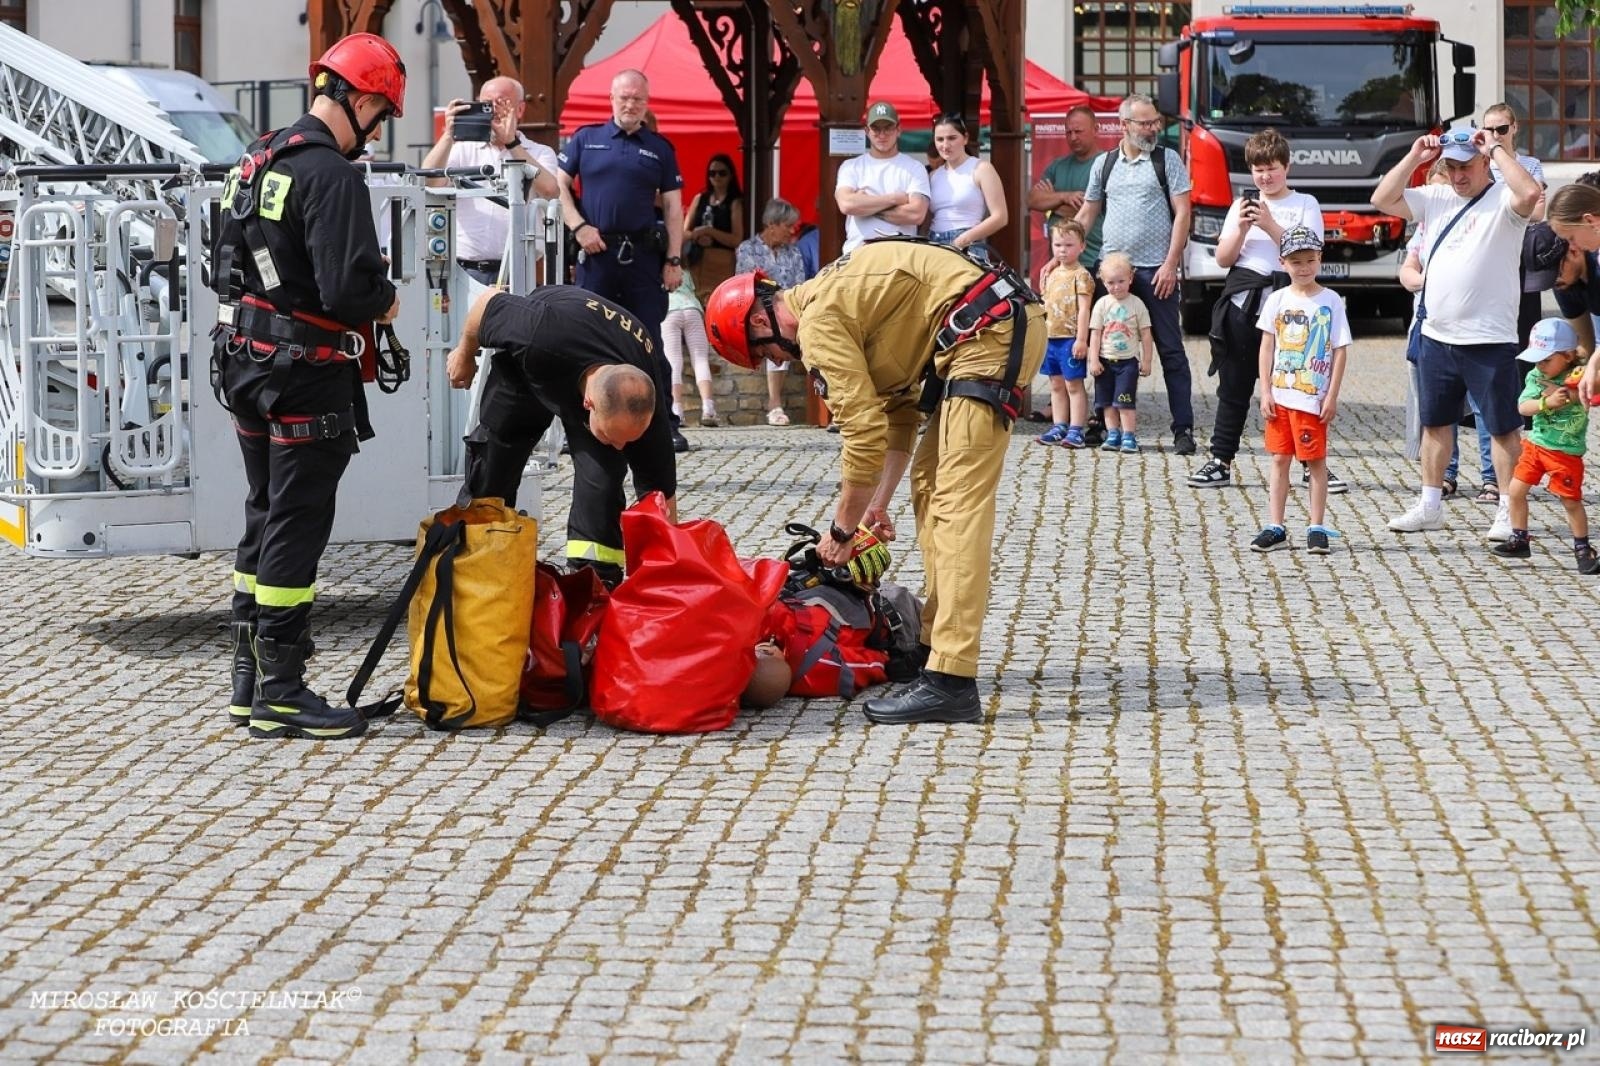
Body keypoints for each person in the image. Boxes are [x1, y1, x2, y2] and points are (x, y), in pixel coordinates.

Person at [702, 241, 1045, 724]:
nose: (780, 360)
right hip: (987, 327)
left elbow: (863, 435)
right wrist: (874, 506)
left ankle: (952, 681)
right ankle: (930, 650)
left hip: (988, 334)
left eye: (766, 353)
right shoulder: (836, 306)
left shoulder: (818, 324)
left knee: (955, 506)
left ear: (760, 321)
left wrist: (841, 532)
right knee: (929, 485)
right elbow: (899, 410)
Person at [210, 32, 405, 740]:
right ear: (359, 99)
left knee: (264, 511)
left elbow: (221, 265)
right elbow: (348, 289)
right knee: (296, 521)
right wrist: (386, 301)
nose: (376, 133)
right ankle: (283, 690)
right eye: (380, 116)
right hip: (305, 374)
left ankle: (249, 682)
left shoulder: (256, 160)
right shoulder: (332, 176)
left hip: (245, 363)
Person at [446, 285, 678, 587]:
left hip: (595, 375)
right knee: (494, 459)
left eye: (629, 439)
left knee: (603, 481)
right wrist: (464, 354)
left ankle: (595, 585)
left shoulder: (641, 396)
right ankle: (479, 568)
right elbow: (487, 303)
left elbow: (661, 496)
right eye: (613, 436)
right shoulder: (539, 331)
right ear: (588, 405)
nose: (622, 445)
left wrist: (665, 575)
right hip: (532, 367)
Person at [1373, 127, 1539, 539]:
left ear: (1483, 164)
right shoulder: (1437, 197)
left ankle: (1508, 509)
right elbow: (1382, 199)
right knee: (1435, 423)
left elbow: (1530, 193)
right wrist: (1415, 158)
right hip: (1437, 335)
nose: (1459, 175)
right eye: (1452, 167)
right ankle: (1430, 504)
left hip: (1490, 338)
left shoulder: (1503, 199)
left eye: (1466, 166)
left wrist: (1496, 148)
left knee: (1502, 428)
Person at [1187, 129, 1331, 491]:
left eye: (1272, 169)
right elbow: (1223, 259)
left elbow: (1309, 252)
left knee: (1297, 385)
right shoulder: (1240, 205)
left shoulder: (1305, 204)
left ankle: (1309, 462)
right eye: (1258, 170)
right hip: (1244, 303)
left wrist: (1268, 224)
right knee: (1233, 385)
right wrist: (1240, 228)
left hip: (1292, 307)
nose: (1265, 177)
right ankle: (1220, 460)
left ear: (1286, 167)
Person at [558, 69, 688, 451]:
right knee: (587, 340)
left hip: (643, 260)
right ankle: (580, 426)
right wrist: (579, 226)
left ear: (647, 103)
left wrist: (674, 259)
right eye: (624, 98)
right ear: (611, 99)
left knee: (648, 341)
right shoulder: (586, 139)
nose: (631, 105)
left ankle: (664, 425)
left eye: (638, 99)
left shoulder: (659, 148)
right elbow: (557, 185)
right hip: (596, 256)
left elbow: (674, 209)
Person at [1075, 93, 1197, 456]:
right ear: (1124, 125)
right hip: (1112, 274)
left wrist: (1171, 264)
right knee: (1104, 349)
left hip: (1155, 272)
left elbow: (1183, 213)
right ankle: (1104, 423)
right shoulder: (1105, 163)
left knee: (1171, 351)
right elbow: (1088, 212)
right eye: (1144, 123)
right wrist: (1062, 256)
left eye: (1155, 121)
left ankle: (1183, 428)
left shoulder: (1166, 159)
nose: (1153, 128)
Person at [1249, 227, 1351, 555]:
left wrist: (1331, 395)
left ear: (1320, 259)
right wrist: (1265, 391)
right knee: (1280, 459)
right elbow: (1267, 346)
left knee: (1315, 461)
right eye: (1296, 262)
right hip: (1280, 397)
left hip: (1312, 400)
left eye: (1310, 260)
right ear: (1283, 263)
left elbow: (1340, 349)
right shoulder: (1277, 300)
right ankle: (1275, 525)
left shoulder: (1331, 301)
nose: (1304, 267)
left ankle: (1316, 526)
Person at [420, 76, 559, 288]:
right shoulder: (461, 148)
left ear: (520, 110)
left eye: (502, 103)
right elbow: (429, 182)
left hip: (519, 270)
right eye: (486, 104)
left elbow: (550, 191)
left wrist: (512, 143)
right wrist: (448, 135)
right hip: (466, 271)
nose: (493, 111)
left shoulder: (539, 152)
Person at [1491, 318, 1599, 573]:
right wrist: (1545, 403)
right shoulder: (1536, 377)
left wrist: (1568, 395)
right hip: (1536, 447)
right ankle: (1520, 538)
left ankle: (1583, 548)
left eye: (1546, 360)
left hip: (1565, 452)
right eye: (1537, 359)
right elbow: (1523, 406)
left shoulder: (1581, 375)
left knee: (1570, 501)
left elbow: (1592, 392)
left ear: (1568, 355)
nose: (1540, 365)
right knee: (1515, 490)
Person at [1028, 104, 1107, 440]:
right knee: (1061, 352)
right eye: (1068, 131)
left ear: (1095, 130)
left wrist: (1057, 204)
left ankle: (1099, 411)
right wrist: (1065, 197)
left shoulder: (1103, 164)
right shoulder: (1059, 166)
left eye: (1079, 130)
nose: (1073, 137)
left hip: (1096, 262)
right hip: (1061, 266)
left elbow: (1092, 206)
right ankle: (1060, 416)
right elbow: (1034, 199)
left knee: (1097, 340)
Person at [735, 198, 808, 425]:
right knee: (775, 332)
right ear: (771, 225)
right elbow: (744, 285)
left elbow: (799, 285)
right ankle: (775, 404)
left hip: (787, 309)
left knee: (785, 330)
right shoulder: (748, 249)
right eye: (788, 226)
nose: (792, 231)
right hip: (759, 313)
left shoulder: (794, 253)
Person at [836, 100, 930, 254]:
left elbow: (916, 214)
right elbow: (847, 204)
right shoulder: (851, 166)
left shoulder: (915, 167)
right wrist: (895, 199)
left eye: (888, 128)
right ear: (867, 131)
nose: (882, 135)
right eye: (876, 128)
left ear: (898, 130)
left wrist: (864, 206)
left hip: (900, 255)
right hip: (859, 252)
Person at [1086, 252, 1153, 453]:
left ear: (1130, 278)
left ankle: (1129, 436)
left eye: (1121, 281)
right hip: (1105, 362)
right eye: (1111, 282)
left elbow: (1146, 334)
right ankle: (1113, 433)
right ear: (1103, 282)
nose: (1116, 287)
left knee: (1125, 402)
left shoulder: (1137, 304)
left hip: (1127, 364)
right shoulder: (1102, 304)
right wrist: (1093, 360)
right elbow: (1095, 334)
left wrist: (1147, 361)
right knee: (1106, 402)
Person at [1034, 220, 1094, 447]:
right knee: (1056, 384)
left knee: (1073, 385)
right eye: (1058, 245)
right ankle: (1059, 425)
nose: (1062, 250)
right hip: (1050, 338)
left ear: (1082, 246)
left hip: (1070, 339)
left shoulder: (1081, 275)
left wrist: (1081, 339)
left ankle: (1076, 428)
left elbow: (1085, 309)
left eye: (1069, 245)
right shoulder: (1050, 273)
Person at [927, 115, 1007, 260]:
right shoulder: (933, 176)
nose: (945, 145)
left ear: (965, 138)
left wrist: (962, 240)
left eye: (952, 138)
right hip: (934, 243)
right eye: (940, 139)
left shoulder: (982, 168)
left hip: (968, 244)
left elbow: (1000, 217)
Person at [684, 153, 745, 301]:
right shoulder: (700, 198)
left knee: (718, 302)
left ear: (731, 175)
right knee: (694, 302)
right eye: (712, 173)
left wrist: (709, 231)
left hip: (721, 263)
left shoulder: (735, 202)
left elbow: (736, 239)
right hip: (696, 260)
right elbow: (685, 231)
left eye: (722, 173)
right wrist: (697, 237)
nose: (717, 177)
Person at [662, 267, 717, 427]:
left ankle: (677, 410)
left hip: (669, 310)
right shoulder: (684, 271)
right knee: (700, 360)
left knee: (673, 362)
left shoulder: (657, 271)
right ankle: (708, 408)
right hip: (692, 309)